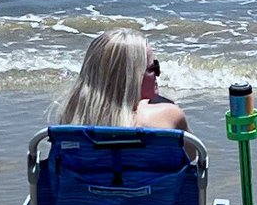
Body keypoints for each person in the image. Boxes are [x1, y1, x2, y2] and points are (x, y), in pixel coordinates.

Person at [56, 28, 189, 130]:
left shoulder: (71, 120)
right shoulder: (167, 115)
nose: (157, 74)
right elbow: (193, 155)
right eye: (152, 68)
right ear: (129, 79)